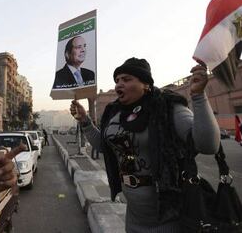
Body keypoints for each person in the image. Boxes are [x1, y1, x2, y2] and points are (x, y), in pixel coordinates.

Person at [70, 58, 220, 232]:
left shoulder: (168, 107)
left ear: (146, 84)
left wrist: (198, 96)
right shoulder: (114, 114)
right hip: (133, 219)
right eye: (117, 80)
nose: (119, 84)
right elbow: (104, 147)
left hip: (170, 219)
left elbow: (209, 145)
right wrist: (85, 121)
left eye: (126, 79)